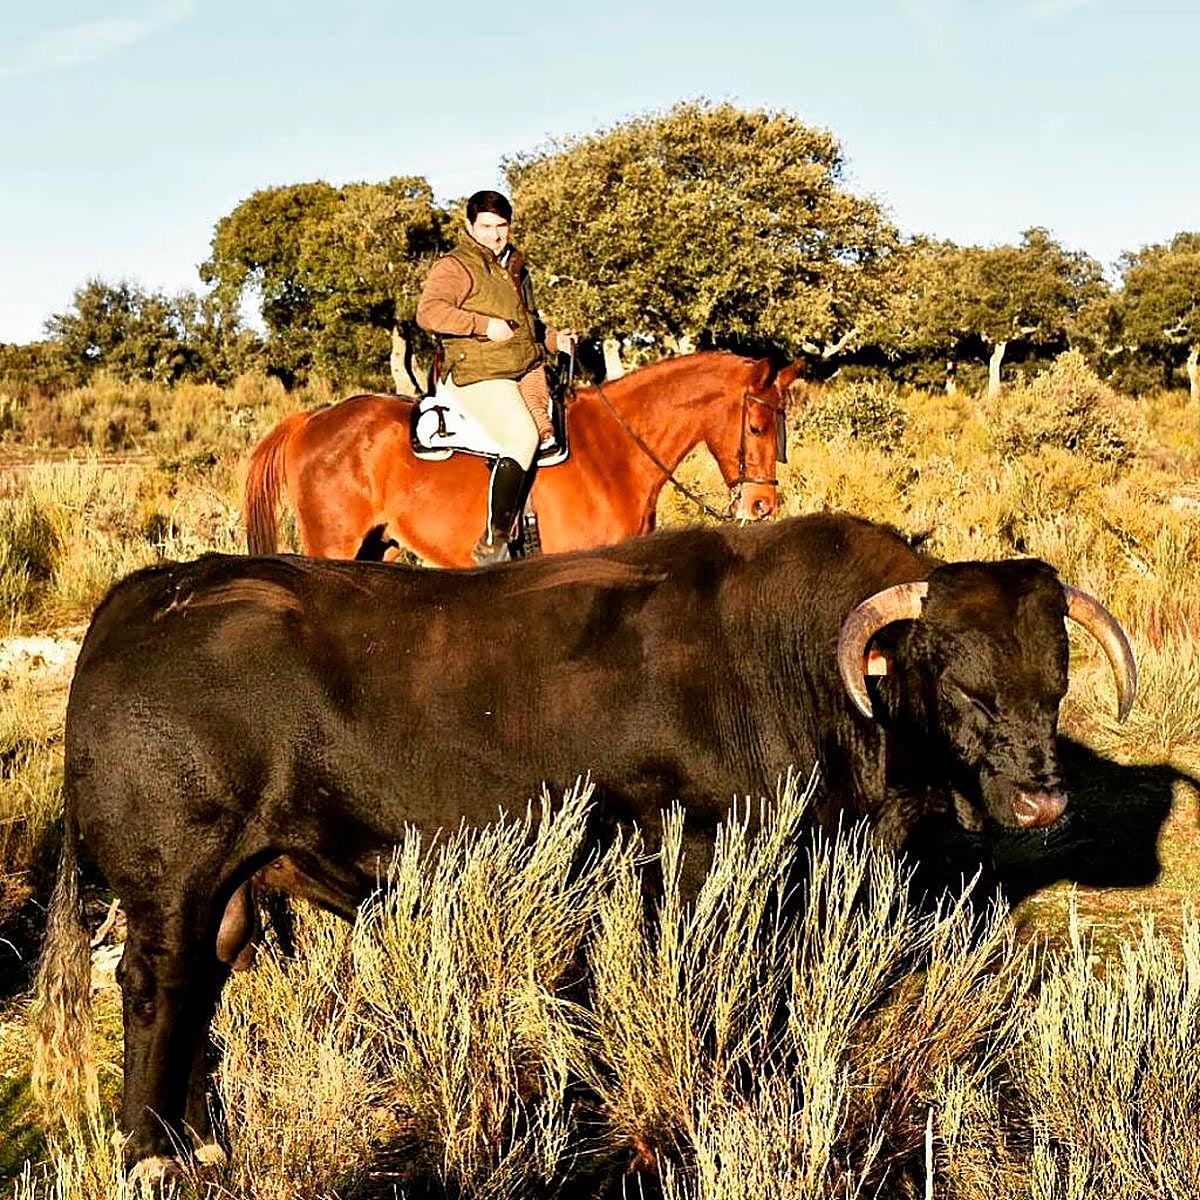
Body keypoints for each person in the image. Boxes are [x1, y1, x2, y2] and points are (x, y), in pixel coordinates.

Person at [416, 189, 577, 564]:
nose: (494, 234)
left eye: (501, 226)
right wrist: (482, 325)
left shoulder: (515, 265)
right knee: (523, 437)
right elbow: (429, 312)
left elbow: (528, 324)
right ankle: (492, 544)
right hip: (477, 373)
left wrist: (555, 339)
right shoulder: (456, 266)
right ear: (469, 226)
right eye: (486, 227)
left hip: (521, 367)